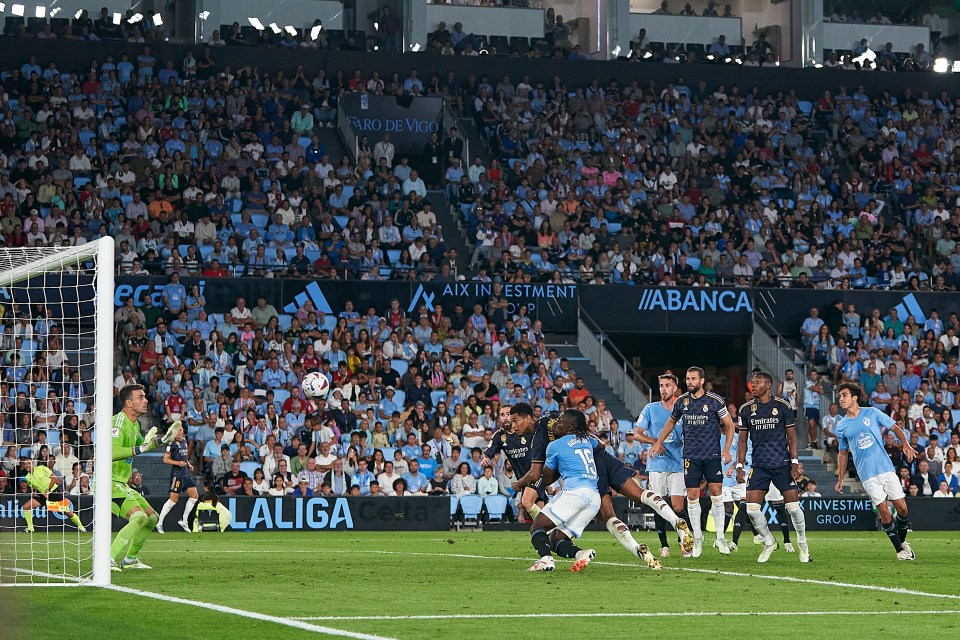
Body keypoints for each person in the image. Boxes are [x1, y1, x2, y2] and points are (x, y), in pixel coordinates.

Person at [650, 366, 735, 557]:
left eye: (693, 379)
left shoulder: (714, 401)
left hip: (712, 455)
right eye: (688, 379)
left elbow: (729, 425)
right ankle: (697, 539)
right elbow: (671, 422)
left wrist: (727, 449)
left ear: (702, 380)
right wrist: (658, 442)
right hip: (691, 457)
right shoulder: (682, 401)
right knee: (692, 496)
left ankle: (720, 538)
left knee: (716, 494)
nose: (690, 382)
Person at [835, 382, 916, 561]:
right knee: (884, 511)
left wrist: (906, 444)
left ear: (855, 397)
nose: (841, 398)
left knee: (902, 509)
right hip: (867, 474)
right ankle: (899, 551)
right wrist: (840, 478)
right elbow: (842, 453)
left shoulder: (872, 412)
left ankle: (902, 542)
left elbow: (895, 427)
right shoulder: (841, 426)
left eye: (844, 395)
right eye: (840, 395)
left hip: (885, 468)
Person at [735, 372, 810, 563]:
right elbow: (742, 442)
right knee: (752, 509)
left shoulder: (783, 406)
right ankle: (769, 541)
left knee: (793, 508)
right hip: (759, 465)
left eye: (758, 382)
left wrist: (794, 462)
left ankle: (802, 543)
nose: (753, 385)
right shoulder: (745, 409)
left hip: (782, 464)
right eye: (752, 382)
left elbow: (792, 437)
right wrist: (739, 466)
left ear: (768, 385)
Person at [110, 384, 181, 570]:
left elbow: (144, 446)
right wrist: (139, 449)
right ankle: (107, 558)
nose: (146, 400)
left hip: (121, 484)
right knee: (139, 516)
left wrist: (163, 440)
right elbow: (110, 452)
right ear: (128, 402)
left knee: (152, 518)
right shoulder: (117, 422)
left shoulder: (134, 424)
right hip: (107, 483)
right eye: (140, 397)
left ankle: (130, 559)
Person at [526, 410, 600, 572]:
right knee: (555, 538)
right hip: (594, 499)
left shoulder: (555, 445)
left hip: (575, 492)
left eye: (560, 422)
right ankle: (581, 553)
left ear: (571, 426)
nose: (555, 424)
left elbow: (546, 479)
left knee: (537, 526)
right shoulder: (587, 439)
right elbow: (600, 444)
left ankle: (545, 560)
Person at [633, 373, 686, 557]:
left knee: (678, 507)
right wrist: (655, 442)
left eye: (667, 385)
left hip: (678, 463)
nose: (663, 389)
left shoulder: (683, 409)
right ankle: (664, 545)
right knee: (659, 504)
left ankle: (682, 540)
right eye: (661, 385)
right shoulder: (650, 409)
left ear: (675, 388)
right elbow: (637, 433)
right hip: (656, 465)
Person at [20, 458, 86, 533]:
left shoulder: (42, 468)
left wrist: (47, 491)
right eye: (25, 464)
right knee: (26, 506)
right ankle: (30, 528)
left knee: (67, 511)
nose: (27, 465)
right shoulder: (27, 477)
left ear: (33, 463)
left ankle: (82, 527)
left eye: (29, 463)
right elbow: (34, 486)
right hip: (42, 494)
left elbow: (54, 478)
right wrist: (34, 491)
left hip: (53, 491)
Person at [157, 426, 199, 533]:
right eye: (178, 431)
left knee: (194, 496)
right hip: (177, 475)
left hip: (186, 474)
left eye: (181, 430)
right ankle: (159, 523)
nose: (180, 432)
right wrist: (178, 463)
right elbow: (165, 459)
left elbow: (184, 456)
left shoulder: (184, 441)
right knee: (173, 500)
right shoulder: (171, 443)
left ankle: (184, 521)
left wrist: (188, 464)